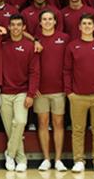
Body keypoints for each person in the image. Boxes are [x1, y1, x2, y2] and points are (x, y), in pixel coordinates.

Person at [65, 15, 94, 173]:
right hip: (77, 96)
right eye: (83, 23)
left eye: (89, 24)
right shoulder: (72, 46)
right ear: (79, 27)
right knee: (78, 130)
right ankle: (78, 160)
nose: (86, 26)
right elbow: (67, 71)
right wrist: (69, 92)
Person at [0, 15, 36, 172]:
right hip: (3, 93)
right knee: (11, 129)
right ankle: (20, 159)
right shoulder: (2, 44)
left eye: (18, 25)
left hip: (21, 92)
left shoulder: (30, 46)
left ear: (23, 28)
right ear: (9, 27)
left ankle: (9, 153)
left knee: (20, 122)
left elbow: (34, 72)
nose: (15, 28)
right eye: (12, 25)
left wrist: (30, 94)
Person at [34, 10, 70, 172]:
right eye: (44, 19)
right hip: (40, 91)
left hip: (59, 90)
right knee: (43, 123)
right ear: (40, 22)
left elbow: (69, 65)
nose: (47, 21)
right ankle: (47, 159)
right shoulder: (35, 40)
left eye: (50, 19)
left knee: (58, 123)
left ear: (55, 22)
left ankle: (58, 159)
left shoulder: (64, 38)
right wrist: (33, 87)